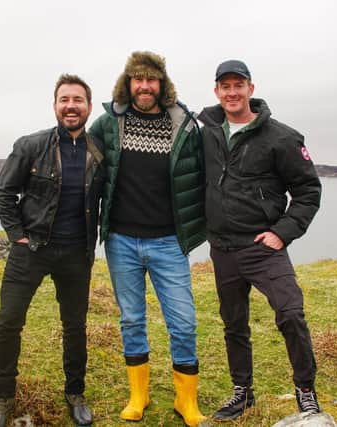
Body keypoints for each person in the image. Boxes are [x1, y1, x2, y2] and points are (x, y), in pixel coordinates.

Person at [197, 59, 322, 420]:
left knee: (291, 314)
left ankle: (306, 390)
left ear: (251, 89)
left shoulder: (281, 137)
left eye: (239, 85)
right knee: (234, 323)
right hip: (223, 248)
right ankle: (243, 392)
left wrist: (282, 233)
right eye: (225, 86)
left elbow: (308, 191)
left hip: (263, 249)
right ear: (217, 91)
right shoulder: (206, 131)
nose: (232, 92)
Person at [89, 51, 207, 426]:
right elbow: (79, 158)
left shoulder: (183, 124)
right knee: (132, 320)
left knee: (184, 322)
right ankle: (138, 394)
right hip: (121, 241)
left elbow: (204, 173)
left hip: (168, 242)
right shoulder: (109, 124)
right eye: (137, 79)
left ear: (162, 84)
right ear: (128, 83)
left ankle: (185, 400)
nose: (144, 86)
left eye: (151, 79)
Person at [0, 74, 104, 427]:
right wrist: (17, 235)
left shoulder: (98, 152)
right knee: (8, 323)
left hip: (77, 253)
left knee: (75, 326)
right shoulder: (30, 146)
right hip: (31, 250)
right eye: (64, 99)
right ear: (55, 105)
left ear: (88, 107)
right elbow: (4, 193)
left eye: (78, 100)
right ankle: (2, 399)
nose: (71, 106)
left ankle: (75, 393)